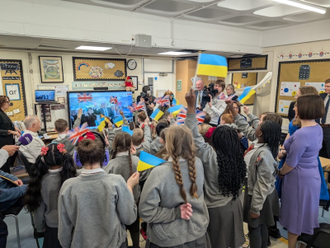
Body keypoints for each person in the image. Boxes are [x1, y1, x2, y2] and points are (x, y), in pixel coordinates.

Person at [184, 88, 246, 248]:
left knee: (216, 242)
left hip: (215, 210)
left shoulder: (210, 156)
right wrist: (233, 111)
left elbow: (193, 134)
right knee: (231, 241)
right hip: (234, 205)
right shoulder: (238, 156)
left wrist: (191, 107)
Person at [58, 137, 139, 248]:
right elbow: (129, 218)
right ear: (105, 157)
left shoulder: (68, 186)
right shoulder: (116, 181)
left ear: (77, 158)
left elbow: (64, 230)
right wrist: (129, 186)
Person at [139, 125, 209, 248]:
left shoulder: (159, 173)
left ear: (167, 145)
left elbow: (146, 212)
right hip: (197, 232)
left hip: (168, 239)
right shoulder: (197, 163)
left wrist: (175, 213)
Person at [278, 94, 325, 248]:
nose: (294, 108)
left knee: (295, 216)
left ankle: (292, 245)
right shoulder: (317, 128)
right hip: (312, 175)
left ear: (304, 108)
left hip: (298, 179)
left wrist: (281, 173)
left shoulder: (302, 134)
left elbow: (291, 163)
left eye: (297, 105)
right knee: (303, 212)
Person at [25, 143, 77, 248]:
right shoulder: (75, 178)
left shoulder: (41, 181)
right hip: (74, 226)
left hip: (53, 227)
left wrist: (39, 228)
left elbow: (39, 209)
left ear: (44, 159)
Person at [243, 120, 281, 248]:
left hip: (259, 198)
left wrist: (255, 208)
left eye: (258, 126)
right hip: (262, 196)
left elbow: (262, 185)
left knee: (254, 228)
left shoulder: (264, 154)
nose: (256, 126)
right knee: (261, 225)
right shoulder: (266, 147)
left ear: (260, 133)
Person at [104, 132, 140, 248]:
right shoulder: (137, 161)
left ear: (114, 145)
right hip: (134, 202)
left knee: (120, 230)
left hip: (115, 206)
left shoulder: (110, 165)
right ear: (131, 145)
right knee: (135, 230)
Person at [0, 145, 26, 247]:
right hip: (4, 198)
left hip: (8, 188)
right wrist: (24, 189)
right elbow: (2, 195)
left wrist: (13, 178)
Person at [0, 95, 21, 173]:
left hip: (8, 141)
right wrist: (11, 131)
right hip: (3, 143)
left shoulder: (3, 113)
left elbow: (6, 124)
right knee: (4, 167)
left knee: (8, 164)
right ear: (1, 103)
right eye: (7, 102)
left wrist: (14, 127)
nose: (9, 103)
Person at [319, 78, 330, 158]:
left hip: (329, 128)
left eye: (328, 86)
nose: (325, 88)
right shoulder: (322, 96)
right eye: (325, 86)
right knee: (319, 150)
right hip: (320, 127)